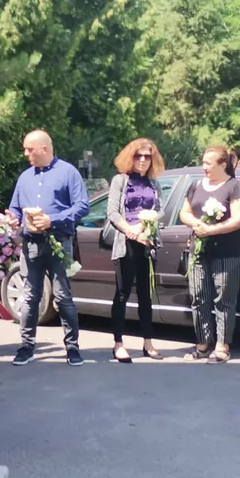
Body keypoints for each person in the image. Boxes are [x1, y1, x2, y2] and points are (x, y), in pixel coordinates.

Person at [8, 130, 90, 366]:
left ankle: (72, 348)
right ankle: (26, 346)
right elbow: (14, 207)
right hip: (31, 244)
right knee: (31, 296)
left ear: (44, 149)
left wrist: (52, 220)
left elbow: (82, 206)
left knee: (63, 297)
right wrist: (13, 218)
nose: (26, 154)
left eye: (29, 149)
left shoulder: (68, 172)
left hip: (58, 243)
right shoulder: (25, 177)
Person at [179, 145, 240, 364]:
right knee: (199, 297)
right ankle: (202, 343)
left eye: (209, 163)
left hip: (227, 252)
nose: (204, 167)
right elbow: (185, 212)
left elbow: (239, 219)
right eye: (204, 163)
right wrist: (198, 223)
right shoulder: (195, 185)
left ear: (222, 164)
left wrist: (212, 229)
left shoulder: (236, 187)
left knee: (224, 299)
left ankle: (222, 345)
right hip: (199, 251)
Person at [106, 138, 165, 362]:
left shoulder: (154, 183)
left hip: (146, 243)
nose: (142, 160)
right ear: (131, 157)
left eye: (147, 156)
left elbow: (160, 211)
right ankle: (118, 343)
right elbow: (112, 212)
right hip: (126, 243)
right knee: (122, 294)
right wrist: (129, 230)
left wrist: (144, 227)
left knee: (145, 295)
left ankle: (148, 342)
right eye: (138, 156)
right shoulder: (120, 180)